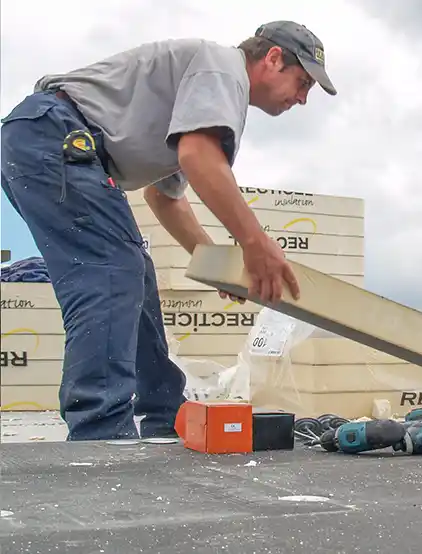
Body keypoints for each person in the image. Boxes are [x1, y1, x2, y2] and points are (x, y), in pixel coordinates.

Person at [0, 20, 335, 440]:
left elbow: (166, 198)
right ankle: (100, 433)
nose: (303, 99)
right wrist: (255, 243)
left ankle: (163, 414)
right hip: (55, 135)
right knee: (112, 270)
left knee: (133, 270)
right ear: (271, 58)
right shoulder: (222, 70)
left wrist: (217, 264)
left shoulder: (202, 95)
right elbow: (199, 156)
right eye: (302, 82)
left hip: (51, 142)